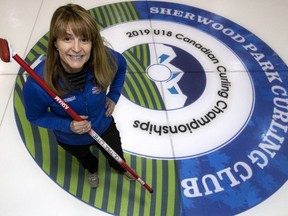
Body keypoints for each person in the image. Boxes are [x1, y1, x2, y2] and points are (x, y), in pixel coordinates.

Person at [23, 3, 134, 188]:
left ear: (93, 43)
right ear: (55, 43)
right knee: (86, 159)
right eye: (67, 39)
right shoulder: (37, 84)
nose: (76, 48)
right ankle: (91, 170)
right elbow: (35, 116)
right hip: (70, 138)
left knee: (115, 153)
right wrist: (68, 125)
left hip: (103, 125)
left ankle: (120, 167)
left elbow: (121, 66)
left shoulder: (105, 58)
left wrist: (113, 96)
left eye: (84, 39)